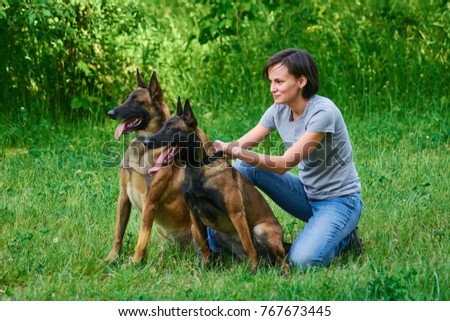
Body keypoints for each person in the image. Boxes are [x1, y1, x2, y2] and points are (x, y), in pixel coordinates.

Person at [212, 48, 363, 269]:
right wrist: (207, 151)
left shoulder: (323, 113)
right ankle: (223, 239)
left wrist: (234, 151)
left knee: (303, 262)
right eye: (271, 82)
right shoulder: (278, 110)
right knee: (244, 166)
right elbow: (240, 146)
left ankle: (346, 239)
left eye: (279, 82)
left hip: (340, 201)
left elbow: (285, 164)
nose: (273, 88)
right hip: (307, 194)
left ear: (301, 81)